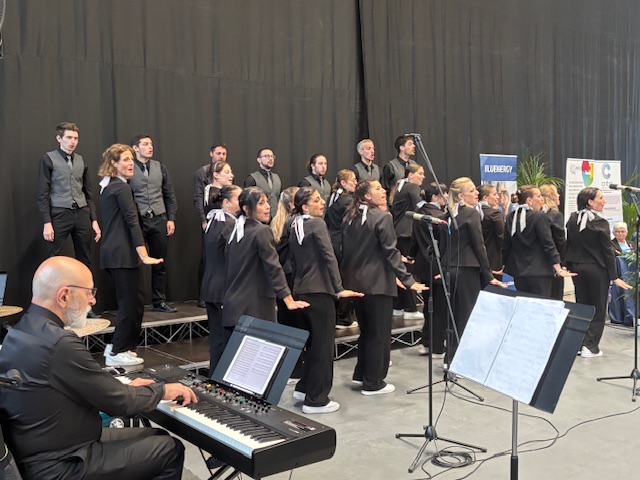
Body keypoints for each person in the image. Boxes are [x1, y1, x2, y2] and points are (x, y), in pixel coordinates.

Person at [0, 256, 197, 480]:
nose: (93, 300)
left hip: (41, 451)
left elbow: (86, 387)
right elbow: (118, 402)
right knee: (169, 450)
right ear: (64, 296)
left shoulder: (20, 331)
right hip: (60, 463)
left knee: (156, 435)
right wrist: (162, 391)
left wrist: (127, 389)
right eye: (89, 292)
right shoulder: (58, 343)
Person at [341, 180, 427, 395]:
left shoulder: (349, 217)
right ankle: (374, 382)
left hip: (356, 283)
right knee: (379, 334)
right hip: (377, 284)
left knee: (366, 332)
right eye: (378, 188)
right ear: (367, 196)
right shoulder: (382, 217)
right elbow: (391, 253)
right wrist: (408, 280)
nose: (383, 191)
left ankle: (362, 375)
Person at [288, 187, 363, 413]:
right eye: (316, 200)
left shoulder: (294, 225)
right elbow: (329, 257)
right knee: (323, 346)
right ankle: (316, 399)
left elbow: (293, 261)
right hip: (320, 290)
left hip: (302, 290)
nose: (322, 202)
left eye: (321, 199)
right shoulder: (317, 224)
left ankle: (304, 387)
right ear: (304, 206)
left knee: (312, 344)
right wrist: (339, 289)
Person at [98, 144, 163, 366]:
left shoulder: (110, 186)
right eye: (125, 159)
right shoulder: (120, 188)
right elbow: (132, 221)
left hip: (117, 253)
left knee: (133, 303)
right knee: (130, 304)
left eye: (131, 159)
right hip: (122, 253)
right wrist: (143, 254)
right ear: (113, 163)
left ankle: (122, 346)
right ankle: (118, 350)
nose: (130, 164)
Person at [221, 187, 308, 351]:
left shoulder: (235, 232)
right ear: (246, 208)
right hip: (253, 308)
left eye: (267, 202)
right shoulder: (261, 231)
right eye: (261, 203)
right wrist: (288, 299)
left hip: (233, 308)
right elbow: (273, 267)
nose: (268, 206)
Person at [37, 122, 101, 318]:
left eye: (75, 138)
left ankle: (86, 308)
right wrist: (47, 222)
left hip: (81, 213)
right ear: (59, 138)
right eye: (69, 138)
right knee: (53, 260)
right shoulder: (48, 159)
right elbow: (43, 193)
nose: (73, 142)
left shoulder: (81, 160)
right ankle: (49, 309)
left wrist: (94, 220)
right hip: (59, 213)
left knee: (85, 260)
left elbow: (89, 193)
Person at [565, 187, 632, 357]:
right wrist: (614, 276)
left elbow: (568, 244)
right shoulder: (600, 222)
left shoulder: (572, 219)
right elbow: (607, 251)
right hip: (596, 270)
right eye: (601, 198)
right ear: (590, 202)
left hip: (577, 269)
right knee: (598, 308)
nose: (604, 201)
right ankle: (591, 346)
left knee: (583, 306)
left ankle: (580, 344)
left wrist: (567, 265)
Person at [443, 177, 504, 359]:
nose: (476, 192)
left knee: (452, 315)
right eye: (471, 191)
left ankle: (450, 357)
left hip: (449, 269)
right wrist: (489, 275)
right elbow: (479, 246)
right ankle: (462, 359)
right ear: (461, 196)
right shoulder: (471, 214)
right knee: (467, 315)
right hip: (467, 270)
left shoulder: (447, 214)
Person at [129, 134, 178, 313]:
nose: (150, 147)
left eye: (151, 144)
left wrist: (171, 218)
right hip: (138, 220)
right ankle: (135, 302)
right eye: (145, 144)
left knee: (160, 262)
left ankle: (159, 301)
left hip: (158, 218)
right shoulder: (129, 166)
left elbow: (169, 194)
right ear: (135, 148)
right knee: (135, 262)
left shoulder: (160, 167)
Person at [502, 185, 573, 297]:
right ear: (529, 200)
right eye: (539, 196)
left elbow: (506, 244)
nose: (542, 199)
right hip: (540, 272)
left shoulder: (511, 216)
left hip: (519, 271)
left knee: (524, 303)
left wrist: (502, 264)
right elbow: (548, 244)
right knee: (540, 304)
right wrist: (558, 268)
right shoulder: (540, 216)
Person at [201, 185, 241, 372]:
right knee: (225, 340)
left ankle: (216, 379)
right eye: (239, 199)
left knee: (217, 339)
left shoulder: (214, 222)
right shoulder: (229, 225)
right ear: (227, 202)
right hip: (223, 289)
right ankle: (221, 380)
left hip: (211, 287)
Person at [410, 182, 448, 356]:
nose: (446, 197)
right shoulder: (440, 216)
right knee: (439, 308)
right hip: (438, 266)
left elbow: (414, 240)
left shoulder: (418, 214)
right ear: (435, 197)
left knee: (428, 306)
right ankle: (437, 347)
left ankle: (426, 342)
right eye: (444, 194)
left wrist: (411, 256)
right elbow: (444, 244)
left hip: (423, 267)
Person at [270, 186, 303, 378]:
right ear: (293, 204)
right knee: (295, 325)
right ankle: (295, 370)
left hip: (282, 279)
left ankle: (289, 369)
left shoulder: (276, 222)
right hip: (292, 278)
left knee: (286, 324)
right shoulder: (293, 224)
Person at [194, 159, 235, 307]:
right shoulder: (215, 194)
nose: (231, 175)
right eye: (227, 172)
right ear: (216, 175)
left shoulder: (215, 192)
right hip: (218, 234)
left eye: (231, 172)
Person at [389, 163, 426, 320]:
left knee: (400, 270)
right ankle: (410, 308)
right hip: (407, 233)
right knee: (408, 270)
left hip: (398, 232)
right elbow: (420, 208)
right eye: (420, 173)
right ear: (410, 175)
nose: (423, 176)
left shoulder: (400, 188)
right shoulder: (412, 187)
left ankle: (398, 306)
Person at [540, 184, 567, 300]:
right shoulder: (555, 215)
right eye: (556, 193)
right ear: (551, 196)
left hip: (537, 265)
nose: (559, 195)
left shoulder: (536, 214)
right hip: (553, 264)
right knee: (555, 297)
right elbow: (559, 241)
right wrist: (563, 263)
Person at [324, 169, 357, 260]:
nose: (356, 183)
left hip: (331, 240)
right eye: (353, 180)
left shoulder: (332, 197)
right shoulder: (348, 201)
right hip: (342, 243)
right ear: (343, 183)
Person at [244, 148, 282, 220]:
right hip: (259, 220)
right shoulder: (252, 178)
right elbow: (248, 201)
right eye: (267, 156)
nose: (270, 159)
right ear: (259, 160)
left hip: (276, 219)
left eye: (272, 156)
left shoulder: (277, 177)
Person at [477, 184, 505, 278]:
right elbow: (502, 238)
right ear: (485, 197)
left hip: (475, 261)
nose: (498, 197)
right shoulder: (495, 214)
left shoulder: (471, 213)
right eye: (494, 194)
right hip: (493, 261)